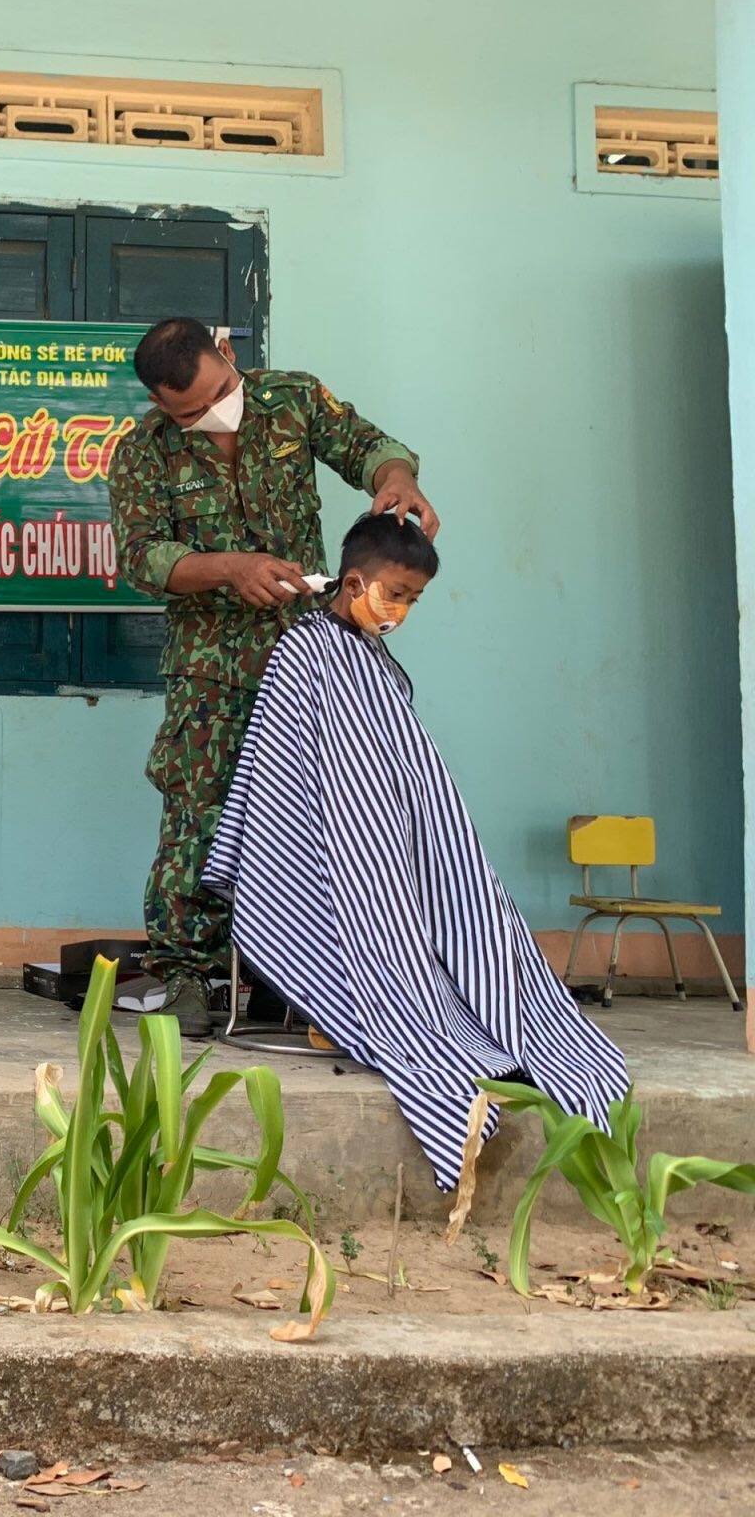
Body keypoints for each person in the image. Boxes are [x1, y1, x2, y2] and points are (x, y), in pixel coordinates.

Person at [203, 516, 631, 1188]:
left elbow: (404, 764)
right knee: (383, 925)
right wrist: (353, 829)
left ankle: (493, 1028)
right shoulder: (302, 654)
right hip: (326, 841)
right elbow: (283, 769)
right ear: (355, 581)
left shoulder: (376, 662)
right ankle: (410, 1028)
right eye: (395, 594)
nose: (401, 610)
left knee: (470, 905)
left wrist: (414, 825)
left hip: (399, 835)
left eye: (413, 600)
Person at [109, 318, 438, 1038]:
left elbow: (367, 447)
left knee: (318, 812)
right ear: (160, 402)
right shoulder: (142, 452)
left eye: (214, 398)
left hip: (312, 655)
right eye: (184, 411)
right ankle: (184, 975)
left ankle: (285, 974)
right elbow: (142, 559)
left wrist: (397, 480)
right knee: (200, 816)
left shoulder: (290, 399)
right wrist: (229, 567)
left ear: (228, 357)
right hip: (211, 669)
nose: (203, 418)